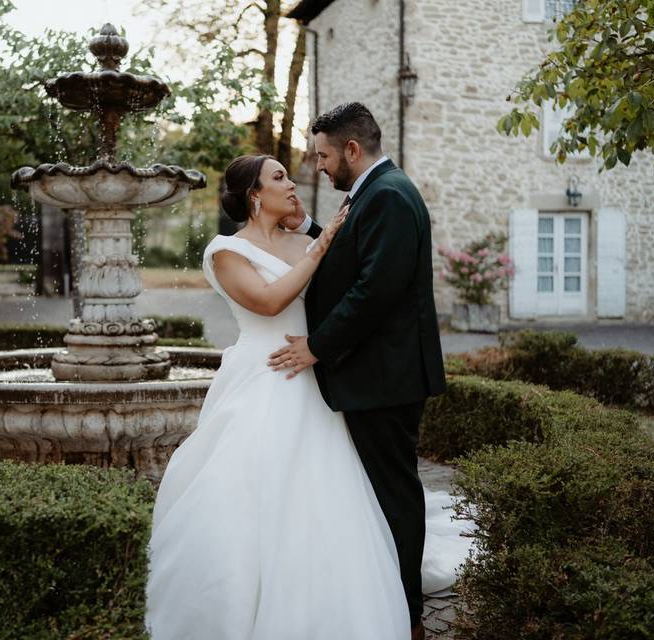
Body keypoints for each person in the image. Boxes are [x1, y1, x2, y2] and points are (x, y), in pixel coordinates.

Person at [146, 142, 469, 638]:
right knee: (251, 489)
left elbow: (355, 277)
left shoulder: (302, 241)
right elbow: (271, 301)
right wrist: (321, 243)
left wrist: (315, 233)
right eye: (279, 178)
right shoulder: (225, 250)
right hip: (264, 374)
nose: (293, 183)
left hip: (314, 379)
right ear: (254, 195)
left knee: (332, 489)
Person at [268, 102, 448, 640]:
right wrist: (312, 228)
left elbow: (375, 290)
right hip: (380, 374)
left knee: (394, 493)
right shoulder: (378, 190)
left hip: (385, 377)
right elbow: (360, 254)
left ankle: (407, 615)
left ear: (351, 149)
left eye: (323, 155)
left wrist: (316, 348)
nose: (317, 166)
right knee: (382, 491)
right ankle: (388, 600)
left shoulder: (389, 194)